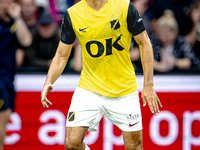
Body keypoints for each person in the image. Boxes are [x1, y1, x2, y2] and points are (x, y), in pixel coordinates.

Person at [41, 0, 162, 149]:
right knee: (71, 143)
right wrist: (48, 81)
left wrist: (148, 85)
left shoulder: (124, 7)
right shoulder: (73, 14)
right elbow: (61, 55)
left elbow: (145, 43)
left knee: (134, 146)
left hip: (123, 90)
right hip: (89, 88)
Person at [0, 0, 32, 149]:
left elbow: (26, 41)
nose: (7, 5)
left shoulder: (14, 22)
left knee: (5, 117)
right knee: (3, 114)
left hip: (8, 79)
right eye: (3, 2)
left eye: (10, 2)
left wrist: (18, 18)